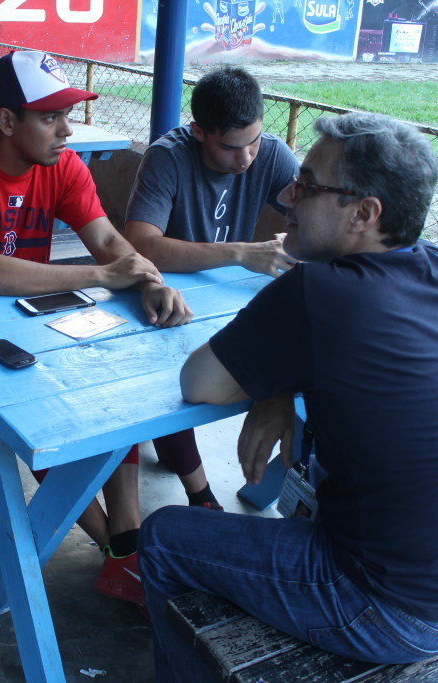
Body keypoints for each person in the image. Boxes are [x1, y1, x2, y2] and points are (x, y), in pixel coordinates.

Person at [138, 112, 438, 679]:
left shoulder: (317, 290)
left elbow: (199, 383)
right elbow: (348, 351)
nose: (288, 194)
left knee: (164, 536)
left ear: (364, 214)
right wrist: (277, 384)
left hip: (389, 610)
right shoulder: (434, 267)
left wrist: (272, 372)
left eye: (310, 184)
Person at [0, 50, 192, 606]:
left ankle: (126, 543)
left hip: (32, 320)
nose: (66, 129)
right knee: (44, 418)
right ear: (6, 122)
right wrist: (104, 274)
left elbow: (108, 242)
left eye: (67, 114)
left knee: (115, 384)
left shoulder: (63, 165)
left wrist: (147, 281)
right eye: (51, 117)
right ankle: (120, 551)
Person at [125, 66, 299, 511]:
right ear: (198, 131)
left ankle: (269, 484)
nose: (246, 159)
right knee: (163, 386)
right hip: (161, 297)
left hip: (225, 305)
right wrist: (241, 253)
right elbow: (143, 245)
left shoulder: (272, 155)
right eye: (231, 147)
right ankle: (199, 495)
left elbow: (312, 219)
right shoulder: (167, 157)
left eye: (255, 142)